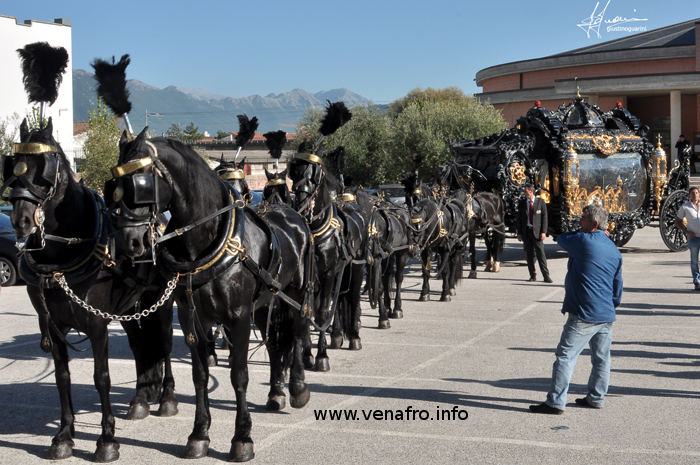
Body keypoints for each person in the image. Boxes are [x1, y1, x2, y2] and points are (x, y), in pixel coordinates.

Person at [529, 204, 622, 414]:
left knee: (565, 355)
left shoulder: (582, 240)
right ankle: (597, 397)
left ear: (594, 224)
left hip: (584, 312)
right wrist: (610, 306)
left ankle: (555, 401)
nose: (579, 222)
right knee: (601, 358)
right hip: (606, 312)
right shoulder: (613, 249)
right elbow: (618, 288)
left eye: (583, 219)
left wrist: (582, 232)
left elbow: (561, 238)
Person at [517, 183, 552, 282]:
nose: (525, 193)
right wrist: (519, 233)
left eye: (526, 191)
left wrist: (544, 232)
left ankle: (546, 276)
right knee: (529, 255)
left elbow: (545, 218)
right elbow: (519, 219)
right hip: (526, 232)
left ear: (531, 191)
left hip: (537, 233)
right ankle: (532, 275)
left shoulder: (540, 202)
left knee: (541, 254)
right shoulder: (522, 203)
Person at [674, 186, 700, 291]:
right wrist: (687, 232)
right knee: (694, 261)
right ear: (689, 195)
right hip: (693, 238)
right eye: (693, 193)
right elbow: (677, 221)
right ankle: (697, 281)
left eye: (697, 193)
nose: (695, 195)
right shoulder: (685, 207)